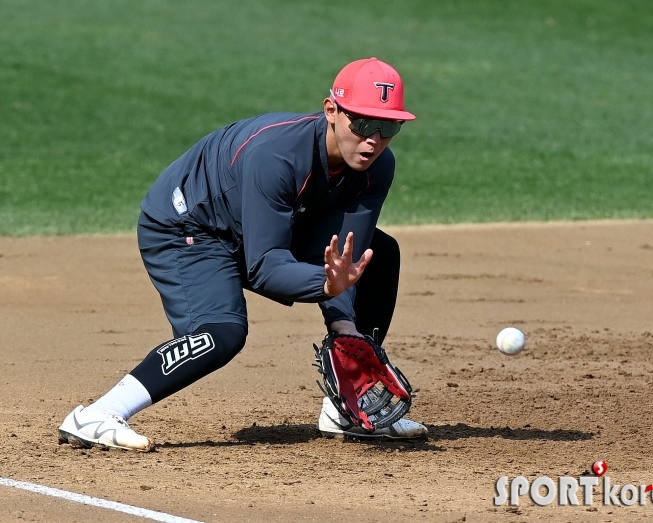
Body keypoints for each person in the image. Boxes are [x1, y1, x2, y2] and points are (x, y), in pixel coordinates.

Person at [58, 57, 428, 452]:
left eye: (389, 126)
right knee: (221, 332)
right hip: (187, 227)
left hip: (250, 224)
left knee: (379, 255)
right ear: (331, 111)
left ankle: (347, 409)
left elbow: (341, 254)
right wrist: (324, 284)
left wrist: (345, 325)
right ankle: (98, 413)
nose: (374, 139)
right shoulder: (277, 156)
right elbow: (266, 266)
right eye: (364, 123)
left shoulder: (378, 167)